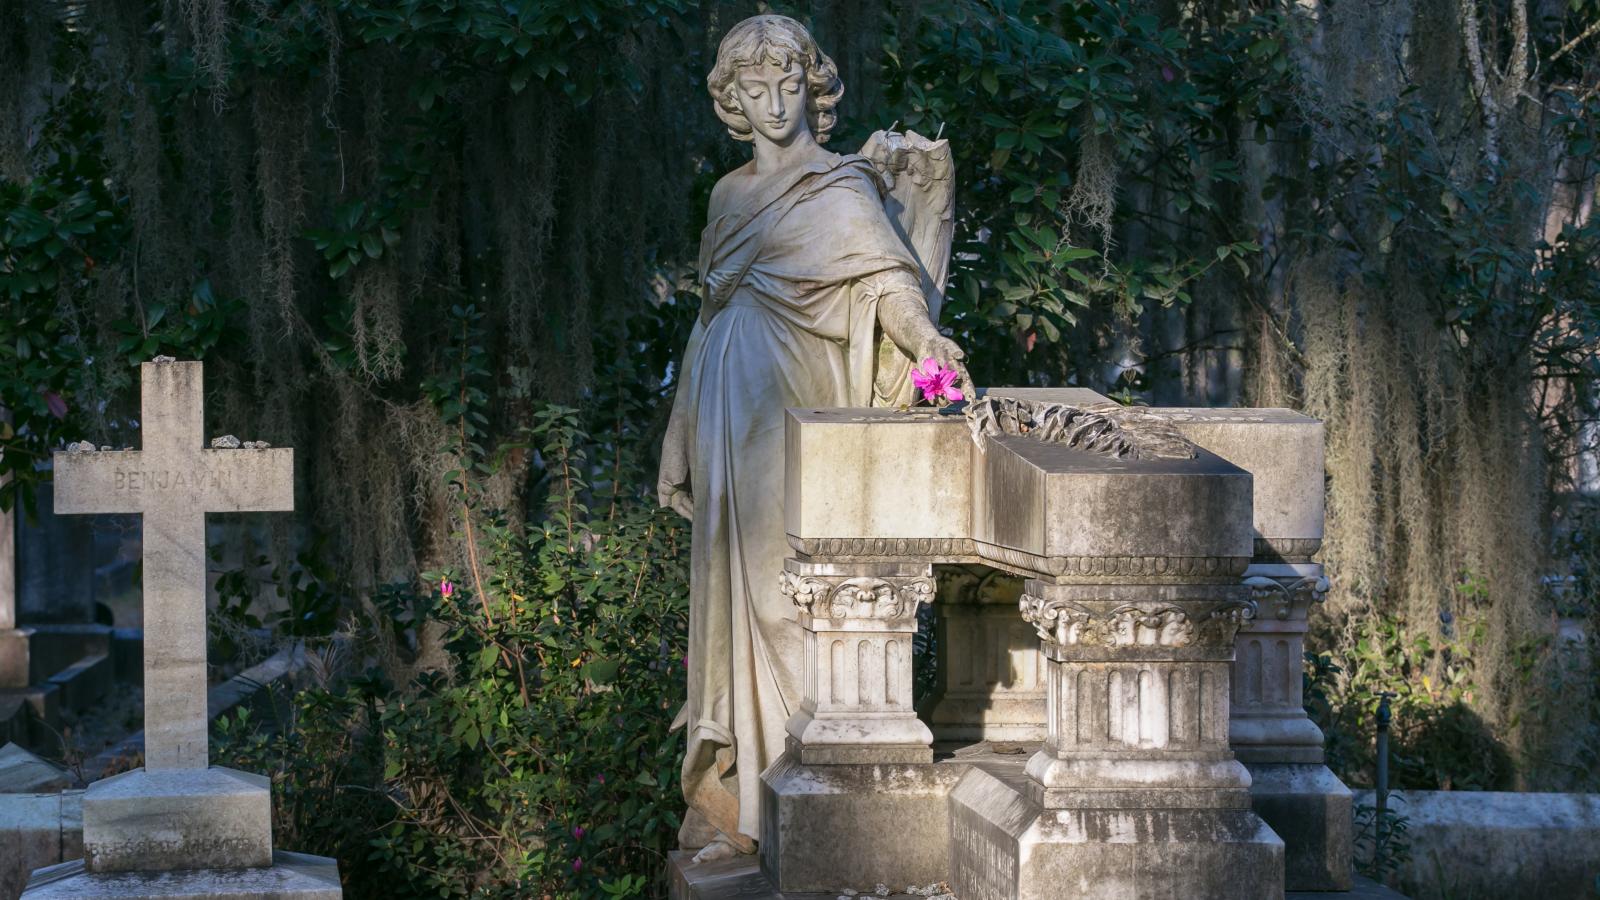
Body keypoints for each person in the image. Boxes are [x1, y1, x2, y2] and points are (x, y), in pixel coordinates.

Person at [657, 14, 967, 862]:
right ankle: (745, 803)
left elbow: (890, 289)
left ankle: (800, 794)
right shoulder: (727, 197)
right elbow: (706, 319)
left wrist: (930, 349)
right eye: (754, 88)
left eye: (789, 83)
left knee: (787, 594)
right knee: (735, 601)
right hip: (726, 413)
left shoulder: (839, 186)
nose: (774, 101)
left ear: (814, 90)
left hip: (799, 405)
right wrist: (678, 435)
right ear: (732, 101)